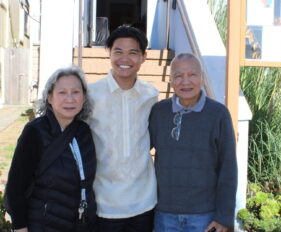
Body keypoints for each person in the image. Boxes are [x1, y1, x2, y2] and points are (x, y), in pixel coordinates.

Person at [149, 53, 238, 232]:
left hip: (204, 216)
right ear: (171, 80)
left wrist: (223, 217)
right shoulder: (159, 112)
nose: (185, 81)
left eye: (192, 75)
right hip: (164, 214)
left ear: (202, 77)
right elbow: (139, 152)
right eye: (178, 76)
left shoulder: (218, 114)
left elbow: (228, 168)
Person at [6, 66, 97, 232]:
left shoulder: (84, 132)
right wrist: (20, 227)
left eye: (76, 92)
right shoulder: (35, 132)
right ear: (49, 97)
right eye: (62, 92)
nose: (70, 99)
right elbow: (15, 187)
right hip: (43, 225)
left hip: (80, 224)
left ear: (84, 97)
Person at [87, 26, 158, 232]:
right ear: (109, 53)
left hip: (144, 200)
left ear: (144, 57)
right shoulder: (91, 95)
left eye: (133, 52)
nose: (124, 58)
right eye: (118, 51)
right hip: (103, 201)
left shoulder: (150, 95)